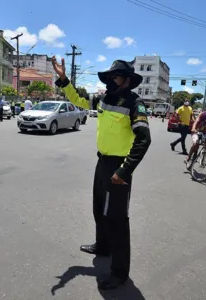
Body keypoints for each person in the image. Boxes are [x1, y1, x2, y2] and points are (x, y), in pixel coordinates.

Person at [52, 56, 151, 290]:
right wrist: (64, 79)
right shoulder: (104, 99)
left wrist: (125, 171)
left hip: (119, 166)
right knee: (99, 209)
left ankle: (120, 272)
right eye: (108, 77)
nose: (109, 80)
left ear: (126, 80)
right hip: (103, 162)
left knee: (117, 219)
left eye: (113, 77)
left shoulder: (135, 104)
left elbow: (144, 140)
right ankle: (103, 246)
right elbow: (78, 99)